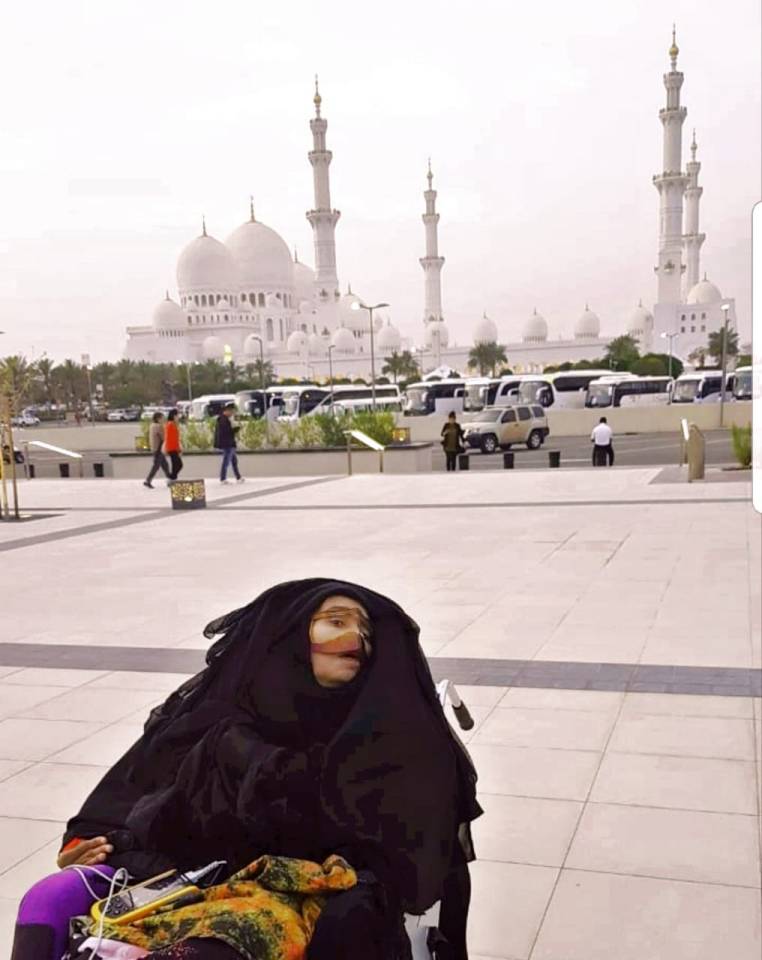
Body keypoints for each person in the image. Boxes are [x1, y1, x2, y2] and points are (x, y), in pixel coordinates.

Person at [11, 580, 481, 960]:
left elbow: (402, 855)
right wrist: (87, 844)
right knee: (48, 900)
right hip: (191, 873)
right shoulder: (218, 722)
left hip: (296, 897)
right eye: (336, 622)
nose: (356, 638)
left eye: (365, 631)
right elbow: (132, 795)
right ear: (290, 638)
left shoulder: (384, 740)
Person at [214, 403, 244, 484]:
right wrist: (235, 430)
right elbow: (226, 432)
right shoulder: (223, 420)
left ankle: (238, 477)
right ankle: (223, 478)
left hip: (230, 443)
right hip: (227, 444)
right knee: (226, 461)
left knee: (234, 461)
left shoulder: (225, 419)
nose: (232, 414)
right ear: (227, 411)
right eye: (231, 412)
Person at [144, 412, 171, 488]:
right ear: (158, 419)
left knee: (165, 465)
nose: (164, 419)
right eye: (162, 418)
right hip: (159, 449)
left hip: (155, 448)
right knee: (156, 466)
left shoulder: (152, 426)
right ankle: (148, 480)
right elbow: (164, 438)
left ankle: (170, 480)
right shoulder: (159, 426)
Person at [164, 409, 183, 481]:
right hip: (172, 448)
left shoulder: (173, 424)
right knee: (178, 465)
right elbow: (169, 438)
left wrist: (179, 448)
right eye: (177, 415)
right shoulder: (170, 424)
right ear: (174, 416)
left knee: (176, 465)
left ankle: (172, 478)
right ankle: (171, 478)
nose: (178, 417)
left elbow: (176, 438)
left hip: (174, 448)